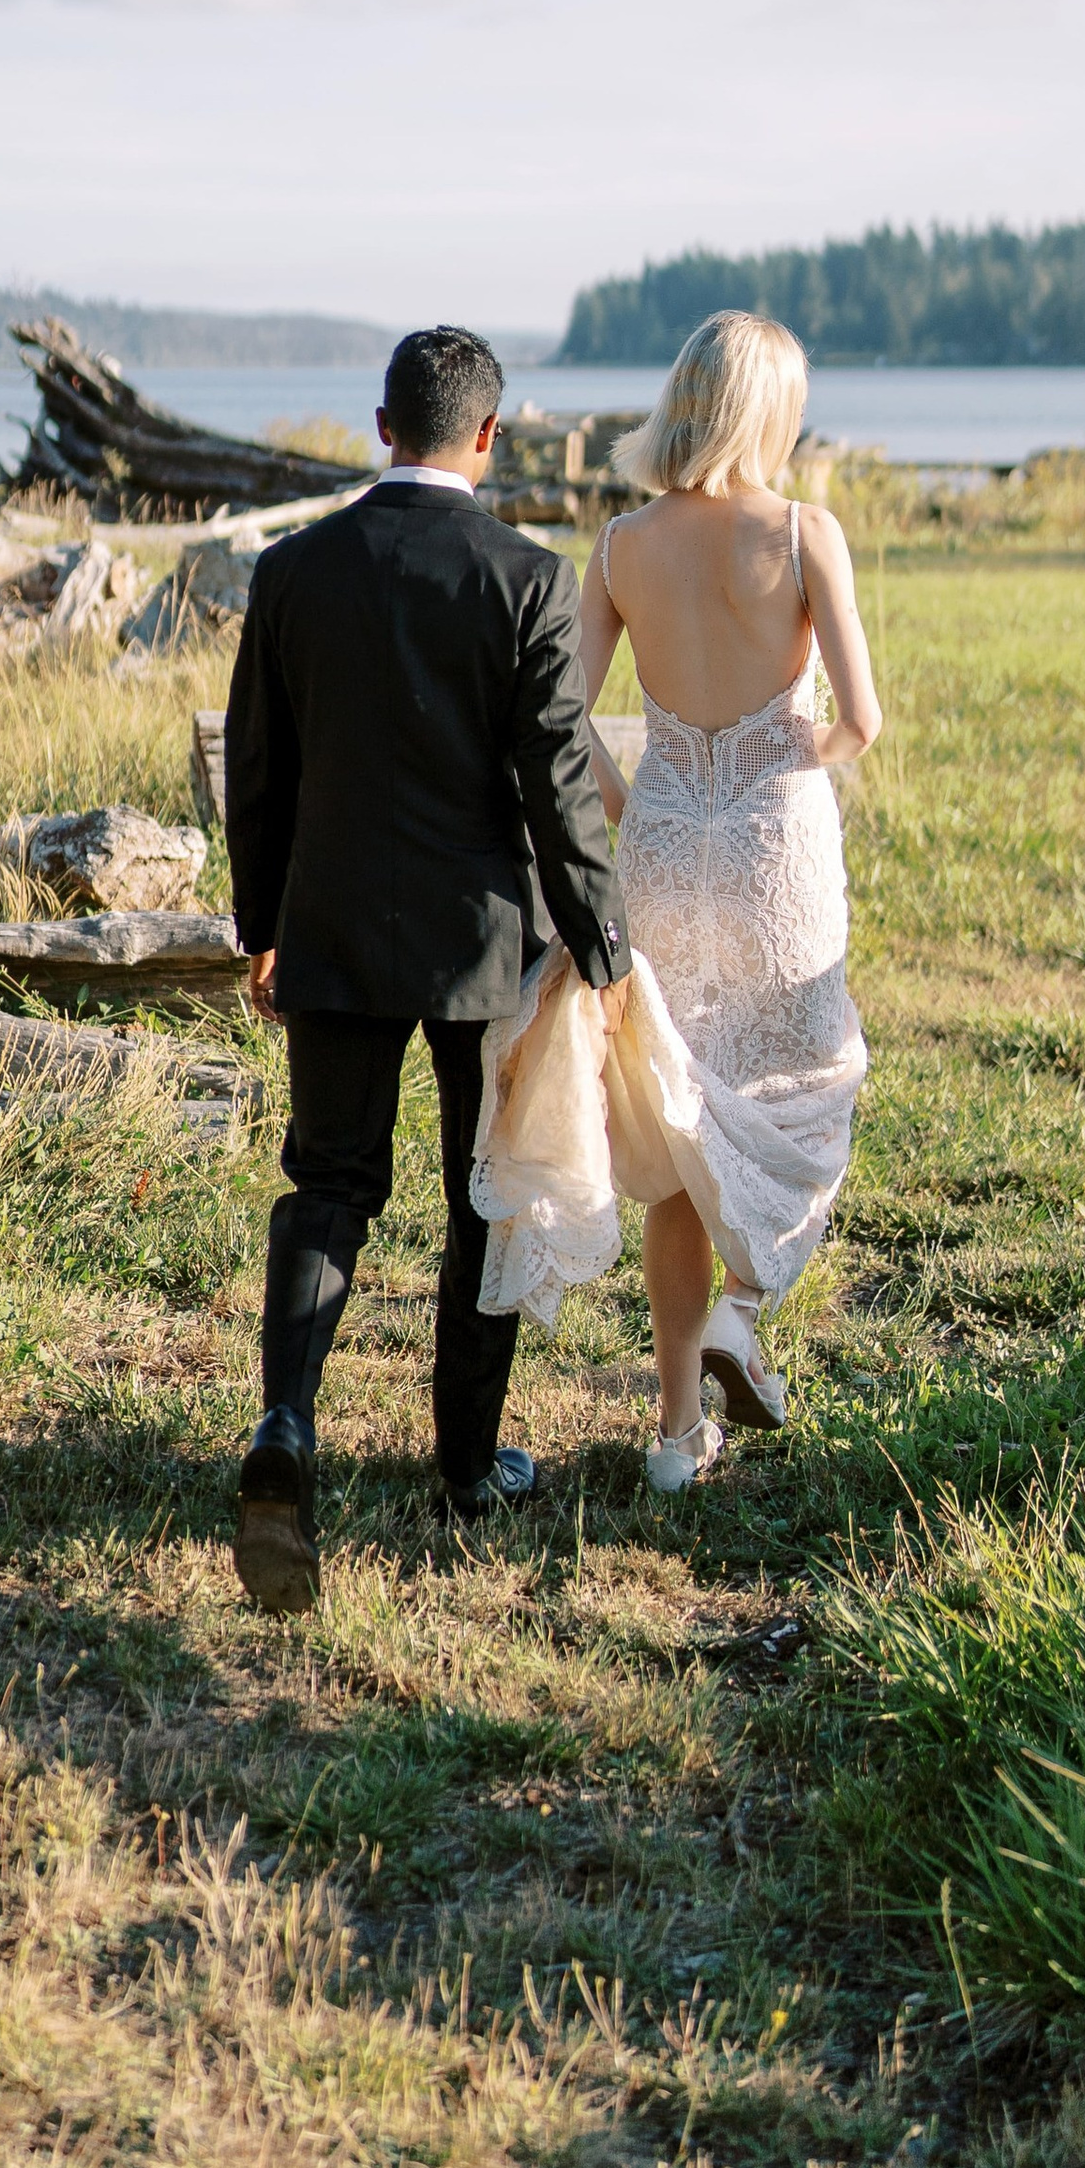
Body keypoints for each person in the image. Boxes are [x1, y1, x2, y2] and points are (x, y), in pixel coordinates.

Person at [222, 322, 628, 1613]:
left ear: (381, 426)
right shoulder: (527, 579)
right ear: (489, 438)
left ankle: (287, 1424)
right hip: (478, 947)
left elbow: (258, 768)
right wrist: (602, 942)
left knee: (329, 1184)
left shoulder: (293, 571)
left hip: (330, 929)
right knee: (482, 1196)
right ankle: (464, 1468)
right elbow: (556, 784)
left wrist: (260, 926)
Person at [576, 310, 880, 1493]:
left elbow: (554, 711)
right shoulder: (805, 533)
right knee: (807, 1083)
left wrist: (625, 795)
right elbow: (859, 719)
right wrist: (806, 741)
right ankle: (740, 1317)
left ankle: (668, 1435)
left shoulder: (620, 545)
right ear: (771, 410)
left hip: (662, 844)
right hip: (771, 848)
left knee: (676, 1120)